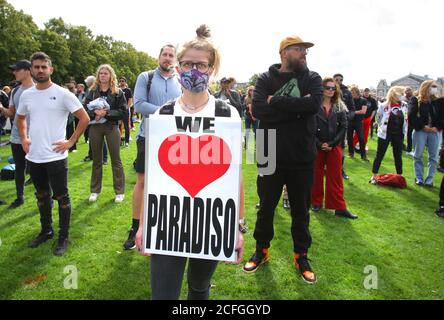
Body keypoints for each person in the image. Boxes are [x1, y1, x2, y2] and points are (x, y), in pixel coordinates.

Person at [135, 25, 244, 300]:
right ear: (178, 67)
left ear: (212, 69)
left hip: (210, 222)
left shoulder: (227, 115)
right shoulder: (163, 113)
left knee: (199, 288)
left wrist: (238, 227)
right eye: (187, 64)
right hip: (167, 222)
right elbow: (154, 175)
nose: (193, 70)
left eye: (201, 64)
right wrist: (144, 224)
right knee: (163, 295)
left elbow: (235, 177)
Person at [244, 35, 322, 284]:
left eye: (305, 51)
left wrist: (275, 102)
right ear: (284, 53)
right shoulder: (266, 79)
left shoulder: (312, 78)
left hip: (301, 153)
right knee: (266, 206)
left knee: (301, 209)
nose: (304, 54)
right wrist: (297, 107)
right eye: (299, 50)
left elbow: (313, 106)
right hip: (268, 149)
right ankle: (261, 250)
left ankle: (301, 256)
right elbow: (258, 111)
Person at [16, 52, 89, 256]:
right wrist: (23, 138)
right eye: (36, 67)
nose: (40, 70)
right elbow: (20, 118)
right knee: (41, 195)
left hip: (56, 157)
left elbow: (83, 118)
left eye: (44, 67)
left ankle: (63, 237)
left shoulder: (63, 93)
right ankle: (46, 230)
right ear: (31, 70)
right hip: (34, 156)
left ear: (51, 69)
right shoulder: (27, 94)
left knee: (61, 197)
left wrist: (71, 141)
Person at [123, 44, 182, 251]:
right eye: (164, 54)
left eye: (171, 55)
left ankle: (164, 229)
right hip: (148, 136)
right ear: (159, 57)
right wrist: (167, 112)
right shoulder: (145, 77)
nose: (167, 58)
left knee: (172, 184)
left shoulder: (180, 80)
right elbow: (139, 105)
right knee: (143, 181)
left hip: (175, 140)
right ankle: (135, 227)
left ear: (175, 59)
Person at [311, 78, 357, 219]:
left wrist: (332, 143)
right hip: (317, 146)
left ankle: (339, 207)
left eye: (333, 88)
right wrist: (319, 144)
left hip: (334, 146)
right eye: (327, 87)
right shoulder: (314, 105)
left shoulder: (339, 106)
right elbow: (309, 127)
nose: (330, 90)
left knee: (336, 177)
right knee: (316, 175)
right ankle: (316, 202)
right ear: (322, 88)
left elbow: (344, 126)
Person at [84, 64, 127, 203]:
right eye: (101, 73)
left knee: (116, 160)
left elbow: (123, 111)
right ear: (98, 75)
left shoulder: (117, 91)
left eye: (105, 73)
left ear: (111, 76)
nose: (103, 75)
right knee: (96, 160)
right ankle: (95, 190)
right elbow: (84, 108)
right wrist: (94, 112)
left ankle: (119, 191)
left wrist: (107, 112)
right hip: (95, 127)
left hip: (111, 127)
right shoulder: (92, 91)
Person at [0, 60, 34, 209]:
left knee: (42, 168)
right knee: (19, 168)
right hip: (16, 137)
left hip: (35, 137)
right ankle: (20, 197)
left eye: (17, 70)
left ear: (27, 71)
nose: (14, 73)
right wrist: (1, 108)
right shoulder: (15, 91)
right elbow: (12, 114)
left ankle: (47, 199)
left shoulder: (39, 89)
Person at [409, 80, 444, 187]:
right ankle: (419, 178)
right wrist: (423, 127)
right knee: (418, 155)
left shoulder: (439, 101)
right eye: (432, 86)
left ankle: (429, 180)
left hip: (434, 131)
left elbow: (442, 116)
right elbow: (411, 116)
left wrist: (437, 127)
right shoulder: (416, 100)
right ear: (426, 87)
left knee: (433, 157)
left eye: (435, 87)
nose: (435, 88)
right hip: (421, 131)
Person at [370, 86, 407, 184]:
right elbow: (378, 118)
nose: (403, 95)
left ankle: (399, 176)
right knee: (380, 155)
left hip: (398, 134)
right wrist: (381, 127)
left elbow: (406, 119)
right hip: (385, 134)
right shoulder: (383, 105)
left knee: (398, 155)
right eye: (401, 93)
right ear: (395, 94)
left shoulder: (404, 105)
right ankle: (374, 175)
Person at [334, 74, 355, 180]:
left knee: (340, 148)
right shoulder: (329, 89)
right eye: (336, 79)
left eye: (340, 80)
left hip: (341, 125)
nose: (339, 81)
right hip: (327, 124)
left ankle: (340, 170)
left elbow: (352, 109)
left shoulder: (347, 92)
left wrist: (346, 118)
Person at [347, 85, 369, 161]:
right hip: (350, 121)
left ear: (357, 92)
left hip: (358, 122)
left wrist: (352, 112)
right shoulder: (349, 100)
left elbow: (363, 111)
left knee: (361, 138)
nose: (351, 93)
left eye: (353, 92)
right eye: (351, 92)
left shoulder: (363, 100)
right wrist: (355, 112)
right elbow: (346, 111)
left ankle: (363, 155)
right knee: (349, 137)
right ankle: (351, 153)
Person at [354, 88, 377, 152]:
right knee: (357, 133)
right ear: (363, 92)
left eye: (367, 92)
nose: (366, 93)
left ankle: (363, 146)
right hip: (359, 118)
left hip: (367, 118)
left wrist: (371, 118)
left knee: (365, 133)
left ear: (369, 92)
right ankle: (353, 144)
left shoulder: (372, 100)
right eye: (365, 92)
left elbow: (374, 110)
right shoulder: (360, 99)